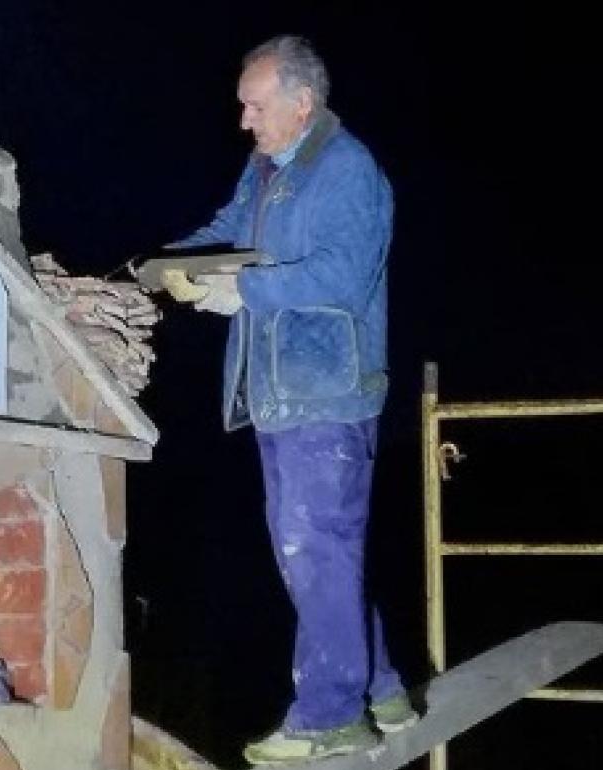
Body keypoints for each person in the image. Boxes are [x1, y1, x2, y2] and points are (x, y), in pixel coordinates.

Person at [159, 36, 418, 765]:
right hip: (278, 392)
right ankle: (384, 691)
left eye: (255, 105)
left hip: (327, 392)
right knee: (323, 554)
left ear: (302, 103)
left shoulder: (348, 171)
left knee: (315, 551)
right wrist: (172, 265)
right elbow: (230, 231)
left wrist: (239, 289)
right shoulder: (269, 170)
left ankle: (330, 715)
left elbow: (340, 275)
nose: (244, 119)